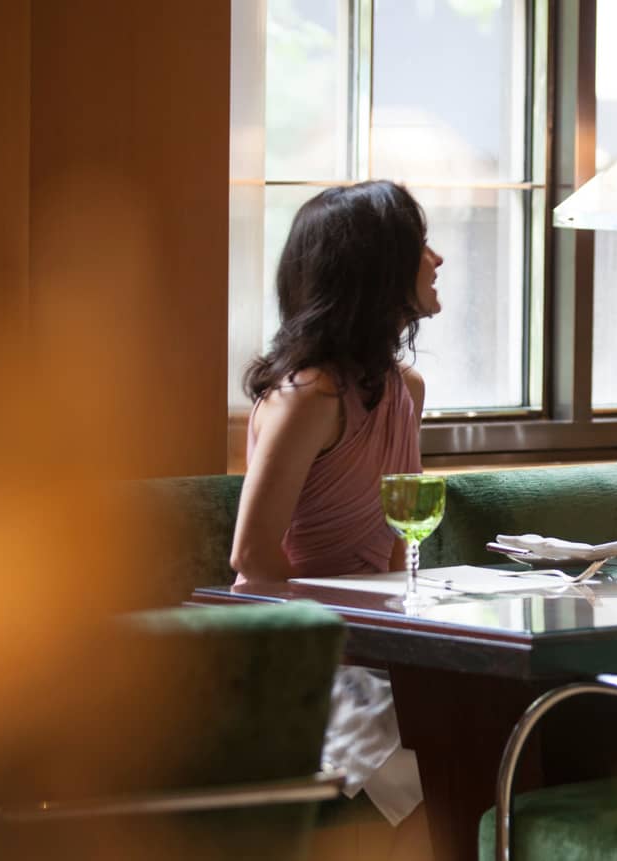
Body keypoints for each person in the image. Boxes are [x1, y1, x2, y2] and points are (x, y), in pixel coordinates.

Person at [229, 180, 442, 855]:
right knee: (421, 746)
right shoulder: (309, 396)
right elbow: (253, 557)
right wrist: (361, 637)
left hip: (372, 641)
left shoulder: (404, 388)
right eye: (419, 246)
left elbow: (390, 548)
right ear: (376, 268)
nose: (436, 260)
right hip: (297, 648)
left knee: (480, 717)